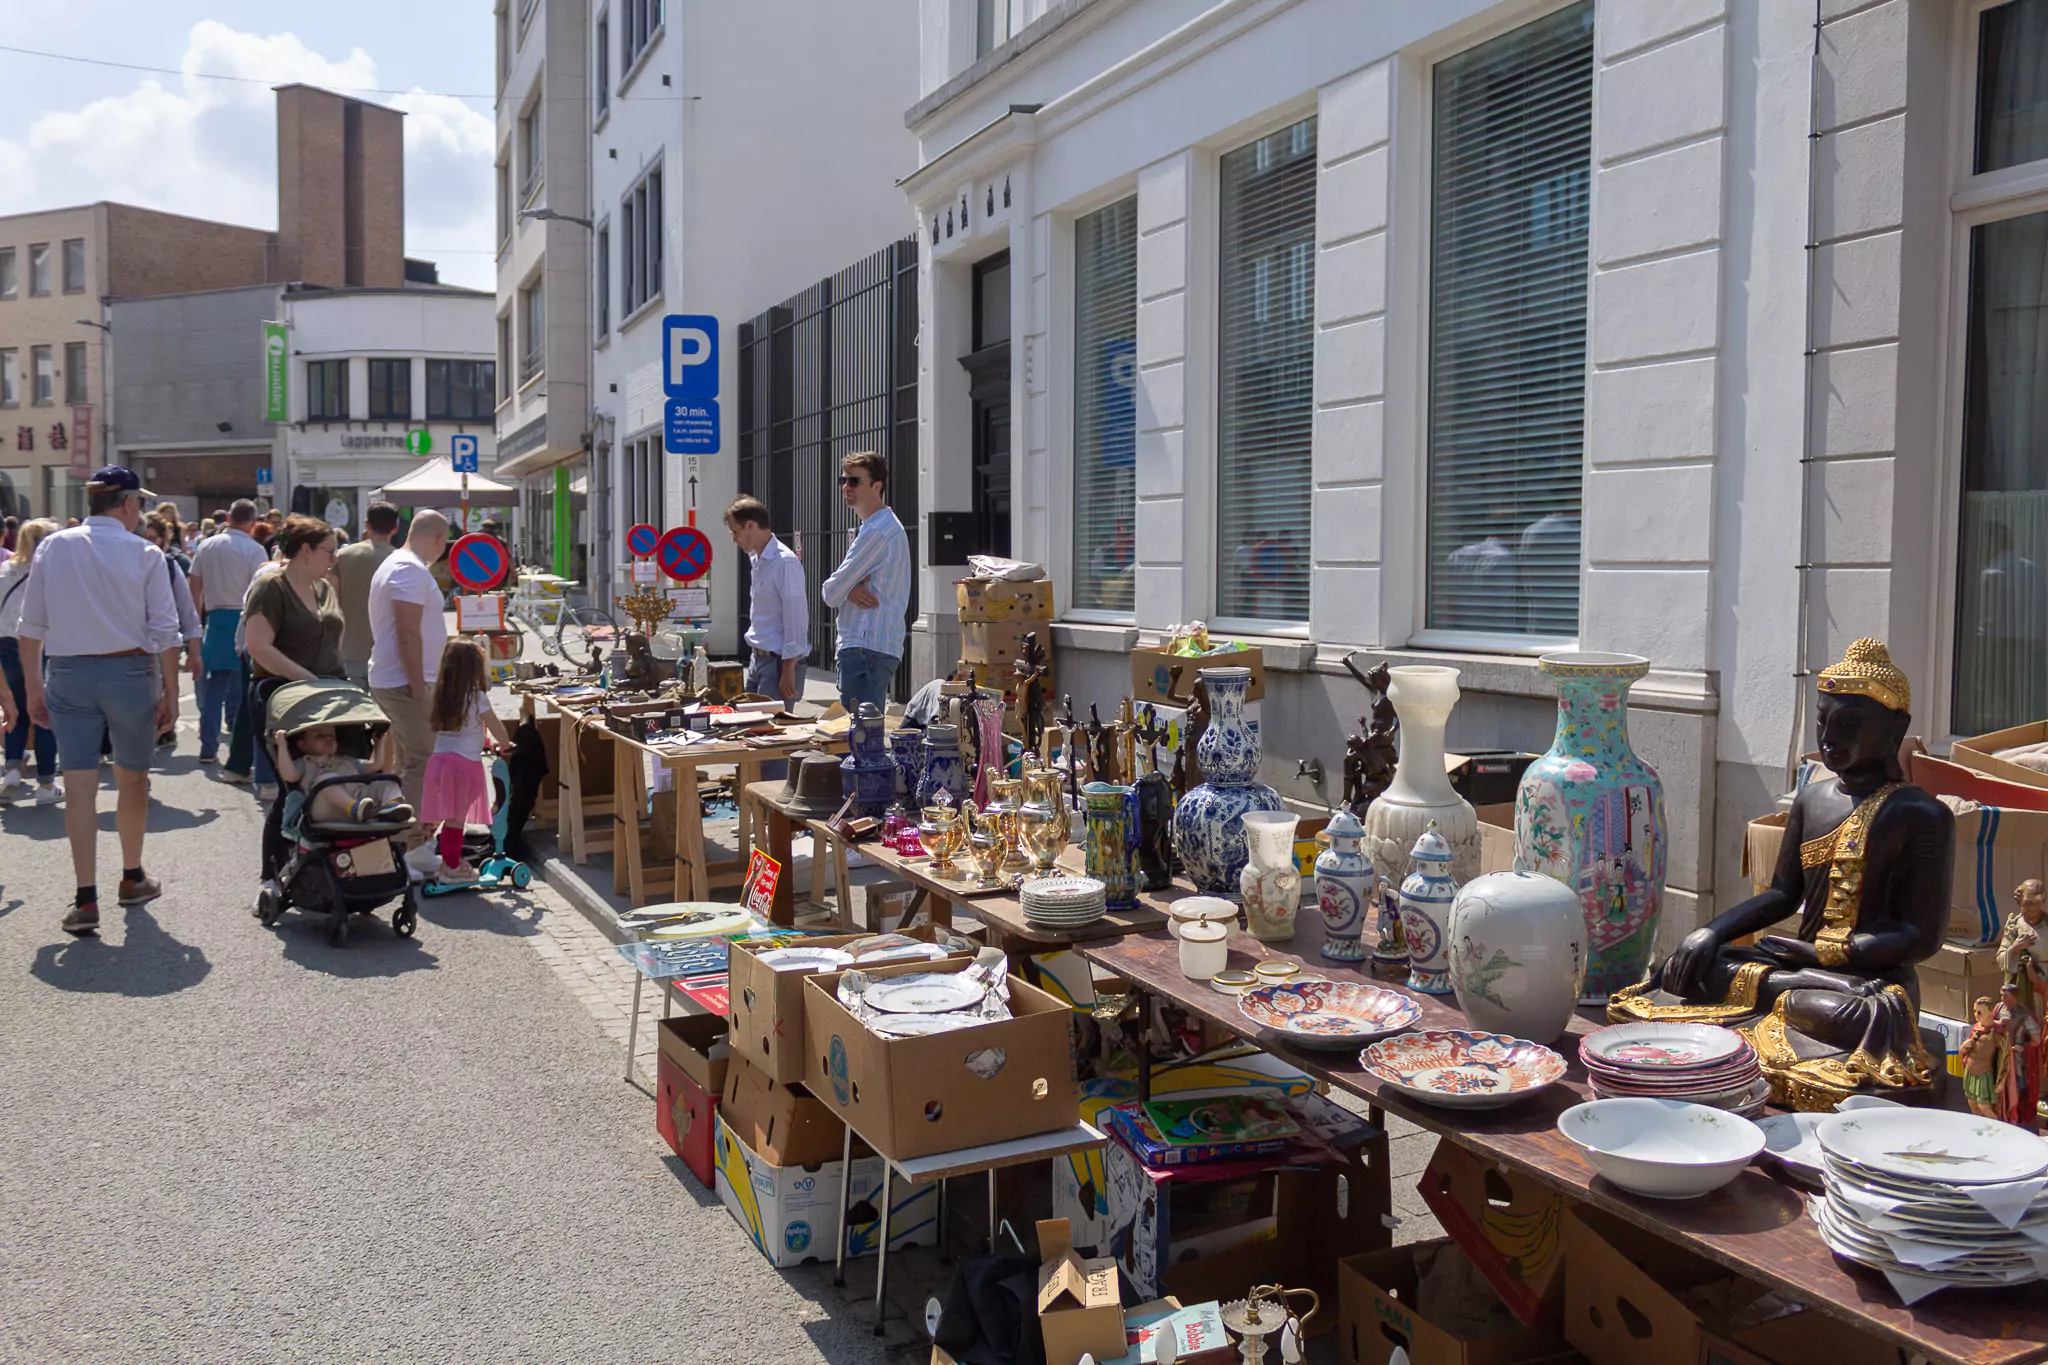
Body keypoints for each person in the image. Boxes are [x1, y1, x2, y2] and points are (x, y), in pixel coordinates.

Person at [15, 466, 182, 936]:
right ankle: (131, 875)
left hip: (67, 671)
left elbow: (31, 625)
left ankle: (84, 898)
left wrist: (33, 687)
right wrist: (171, 693)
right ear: (127, 503)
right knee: (132, 779)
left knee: (80, 784)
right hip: (129, 671)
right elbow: (164, 630)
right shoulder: (146, 552)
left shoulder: (53, 546)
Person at [244, 516, 345, 800]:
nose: (334, 559)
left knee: (333, 780)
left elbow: (335, 635)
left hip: (327, 693)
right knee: (294, 791)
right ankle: (285, 844)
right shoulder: (271, 587)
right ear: (305, 550)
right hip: (283, 695)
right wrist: (310, 681)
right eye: (329, 551)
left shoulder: (324, 587)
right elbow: (258, 646)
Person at [368, 509, 452, 830]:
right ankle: (411, 843)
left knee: (408, 761)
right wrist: (418, 687)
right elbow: (407, 632)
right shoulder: (409, 569)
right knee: (422, 761)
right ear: (438, 539)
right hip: (405, 681)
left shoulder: (396, 564)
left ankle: (403, 842)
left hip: (396, 678)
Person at [819, 451, 910, 711]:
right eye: (843, 480)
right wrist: (851, 589)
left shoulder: (876, 532)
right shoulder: (882, 527)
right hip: (873, 648)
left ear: (876, 486)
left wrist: (845, 588)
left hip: (865, 647)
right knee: (861, 739)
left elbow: (831, 593)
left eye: (855, 481)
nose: (846, 487)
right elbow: (841, 589)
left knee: (859, 741)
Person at [418, 636, 510, 885]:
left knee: (448, 817)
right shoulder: (476, 697)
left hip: (440, 762)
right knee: (456, 820)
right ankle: (452, 867)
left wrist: (484, 741)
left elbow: (464, 729)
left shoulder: (443, 696)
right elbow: (496, 726)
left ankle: (445, 860)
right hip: (463, 766)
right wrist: (505, 744)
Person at [187, 500, 270, 766]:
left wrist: (195, 626)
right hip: (244, 616)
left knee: (214, 687)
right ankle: (236, 741)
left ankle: (208, 746)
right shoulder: (255, 550)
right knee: (243, 684)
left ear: (229, 518)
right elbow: (262, 591)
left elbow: (195, 588)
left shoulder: (206, 546)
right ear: (253, 522)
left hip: (216, 617)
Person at [0, 518, 62, 805]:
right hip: (41, 645)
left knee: (16, 709)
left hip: (6, 645)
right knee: (44, 714)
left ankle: (12, 767)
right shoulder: (53, 573)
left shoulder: (5, 570)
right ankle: (47, 784)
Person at [724, 495, 808, 707]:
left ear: (750, 525)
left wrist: (789, 668)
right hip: (758, 659)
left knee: (771, 730)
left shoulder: (784, 561)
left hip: (778, 662)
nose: (734, 539)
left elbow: (796, 617)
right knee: (749, 726)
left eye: (736, 531)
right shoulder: (757, 559)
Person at [270, 724, 413, 825]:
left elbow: (374, 766)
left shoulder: (345, 760)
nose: (328, 739)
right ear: (302, 745)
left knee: (386, 780)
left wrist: (379, 743)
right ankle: (353, 807)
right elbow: (289, 775)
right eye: (320, 736)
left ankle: (393, 806)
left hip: (361, 803)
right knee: (327, 779)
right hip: (325, 809)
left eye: (332, 736)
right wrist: (282, 747)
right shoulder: (306, 762)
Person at [144, 515, 204, 749]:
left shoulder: (168, 565)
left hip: (162, 646)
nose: (148, 543)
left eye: (152, 538)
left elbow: (187, 610)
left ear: (163, 540)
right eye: (144, 537)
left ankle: (159, 735)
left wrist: (194, 650)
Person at [335, 501, 402, 687]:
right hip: (388, 653)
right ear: (395, 528)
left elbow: (329, 599)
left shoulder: (342, 556)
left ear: (367, 525)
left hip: (347, 649)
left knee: (352, 711)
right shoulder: (402, 561)